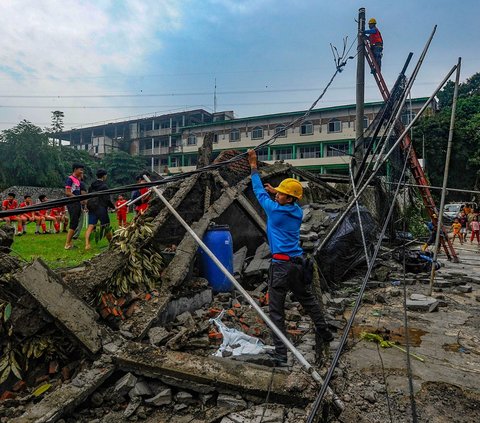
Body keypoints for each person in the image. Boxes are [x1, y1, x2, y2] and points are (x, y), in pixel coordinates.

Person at [247, 149, 333, 366]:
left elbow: (258, 192)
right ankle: (324, 331)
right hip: (297, 265)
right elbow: (281, 197)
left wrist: (253, 166)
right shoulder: (295, 210)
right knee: (308, 300)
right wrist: (276, 189)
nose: (277, 195)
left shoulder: (275, 211)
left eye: (281, 194)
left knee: (276, 312)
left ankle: (280, 355)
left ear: (289, 198)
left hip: (281, 267)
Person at [85, 169, 115, 250]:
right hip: (101, 208)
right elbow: (107, 199)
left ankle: (87, 245)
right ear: (104, 176)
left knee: (90, 226)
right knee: (106, 226)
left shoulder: (91, 186)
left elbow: (89, 197)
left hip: (92, 208)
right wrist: (113, 207)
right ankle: (112, 243)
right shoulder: (104, 186)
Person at [64, 163, 85, 249]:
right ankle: (67, 244)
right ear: (75, 169)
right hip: (72, 203)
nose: (82, 171)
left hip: (77, 203)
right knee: (73, 222)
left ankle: (70, 242)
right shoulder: (70, 179)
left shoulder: (78, 181)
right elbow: (67, 192)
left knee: (75, 222)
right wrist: (77, 198)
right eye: (80, 170)